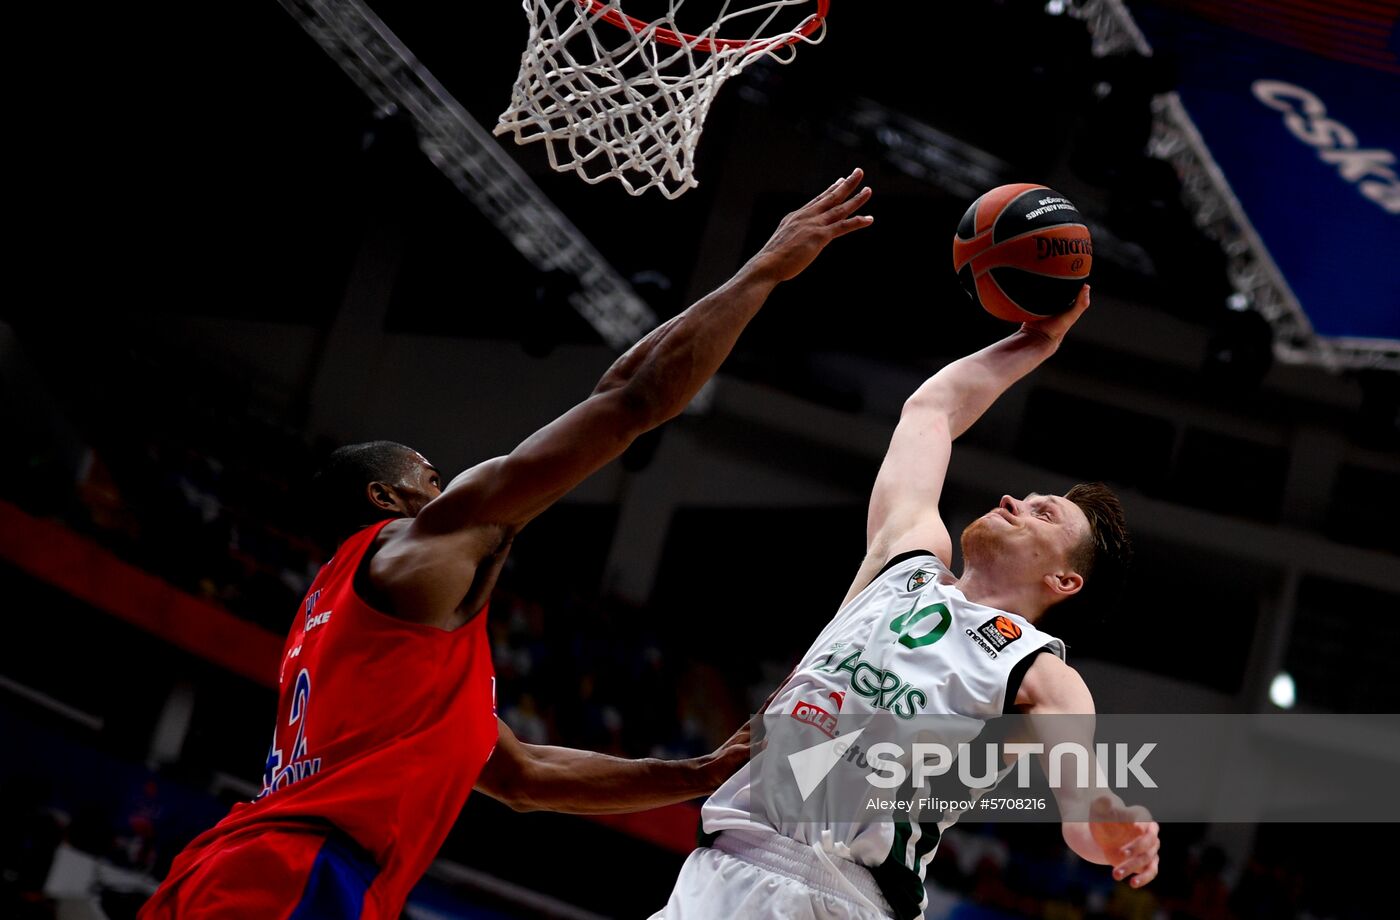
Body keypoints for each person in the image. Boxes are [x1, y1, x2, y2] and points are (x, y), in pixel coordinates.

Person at [136, 170, 875, 920]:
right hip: (292, 873)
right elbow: (629, 403)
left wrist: (696, 773)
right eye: (430, 475)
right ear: (384, 500)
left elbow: (524, 777)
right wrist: (763, 271)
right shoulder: (418, 547)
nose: (450, 485)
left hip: (250, 868)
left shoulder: (353, 628)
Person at [652, 285, 1160, 920]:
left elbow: (1079, 808)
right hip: (718, 868)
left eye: (1042, 513)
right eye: (1024, 495)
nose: (1014, 500)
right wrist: (1038, 341)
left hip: (839, 895)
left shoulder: (1043, 674)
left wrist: (1115, 825)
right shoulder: (904, 558)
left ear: (1064, 581)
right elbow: (932, 410)